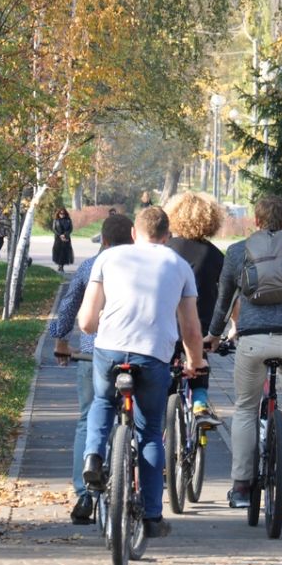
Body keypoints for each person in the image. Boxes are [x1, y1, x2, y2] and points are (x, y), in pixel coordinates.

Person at [79, 207, 207, 539]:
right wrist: (195, 362)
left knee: (103, 402)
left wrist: (102, 326)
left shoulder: (108, 258)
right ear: (167, 236)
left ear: (134, 233)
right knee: (150, 431)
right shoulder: (180, 266)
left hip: (109, 350)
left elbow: (87, 322)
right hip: (153, 355)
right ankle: (151, 516)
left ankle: (93, 458)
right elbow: (191, 329)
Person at [203, 195, 282, 509]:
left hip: (253, 340)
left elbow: (224, 301)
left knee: (246, 408)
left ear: (256, 221)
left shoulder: (237, 251)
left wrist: (214, 336)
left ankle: (241, 486)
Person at [47, 214, 134, 524]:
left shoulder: (89, 267)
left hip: (93, 355)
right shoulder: (144, 267)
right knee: (142, 423)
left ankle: (84, 494)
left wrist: (60, 341)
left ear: (104, 240)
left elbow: (69, 306)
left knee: (88, 420)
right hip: (136, 355)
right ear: (133, 237)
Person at [164, 191, 225, 426]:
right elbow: (228, 294)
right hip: (201, 323)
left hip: (167, 323)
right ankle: (200, 405)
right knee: (199, 359)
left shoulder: (166, 249)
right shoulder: (215, 255)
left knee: (166, 369)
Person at [52, 208, 74, 272]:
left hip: (66, 238)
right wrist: (60, 235)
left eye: (63, 213)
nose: (62, 215)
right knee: (58, 252)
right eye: (61, 213)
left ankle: (61, 266)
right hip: (58, 238)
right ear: (58, 214)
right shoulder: (56, 220)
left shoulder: (68, 220)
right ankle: (59, 265)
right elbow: (54, 229)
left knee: (64, 252)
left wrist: (65, 235)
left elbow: (70, 229)